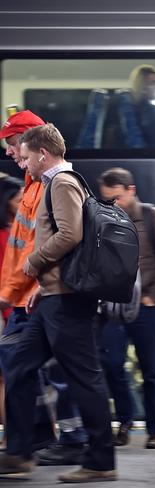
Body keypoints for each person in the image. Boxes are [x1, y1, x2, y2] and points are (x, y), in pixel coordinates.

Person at [0, 124, 116, 482]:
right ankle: (19, 452)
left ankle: (101, 461)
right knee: (19, 367)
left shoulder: (62, 183)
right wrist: (40, 283)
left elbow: (71, 234)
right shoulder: (56, 183)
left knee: (84, 378)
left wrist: (34, 264)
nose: (23, 161)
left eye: (27, 154)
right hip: (52, 295)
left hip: (67, 301)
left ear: (43, 154)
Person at [98, 167, 155, 449]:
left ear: (131, 190)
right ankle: (124, 421)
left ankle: (154, 431)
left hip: (145, 306)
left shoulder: (153, 217)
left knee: (151, 371)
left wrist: (153, 297)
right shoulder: (102, 218)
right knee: (111, 365)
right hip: (113, 306)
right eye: (107, 199)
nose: (112, 204)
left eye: (116, 198)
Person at [0, 174, 23, 447]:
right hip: (8, 314)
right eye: (18, 200)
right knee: (9, 377)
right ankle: (12, 437)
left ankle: (11, 437)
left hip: (10, 312)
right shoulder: (8, 235)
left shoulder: (15, 230)